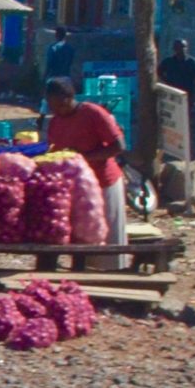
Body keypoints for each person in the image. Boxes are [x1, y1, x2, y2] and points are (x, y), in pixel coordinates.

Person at [43, 77, 128, 269]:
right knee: (82, 237)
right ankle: (82, 274)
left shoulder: (94, 113)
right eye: (52, 105)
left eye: (60, 104)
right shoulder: (55, 122)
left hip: (103, 183)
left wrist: (84, 157)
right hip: (76, 188)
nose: (56, 110)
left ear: (70, 97)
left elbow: (118, 146)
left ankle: (111, 279)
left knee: (106, 237)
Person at [158, 39, 195, 106]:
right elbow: (159, 72)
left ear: (187, 48)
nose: (181, 49)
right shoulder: (168, 62)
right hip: (172, 94)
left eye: (183, 46)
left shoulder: (192, 62)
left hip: (187, 94)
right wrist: (167, 81)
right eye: (178, 47)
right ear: (174, 49)